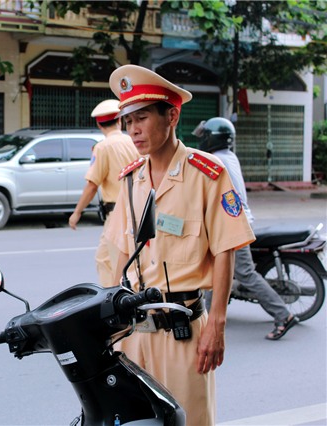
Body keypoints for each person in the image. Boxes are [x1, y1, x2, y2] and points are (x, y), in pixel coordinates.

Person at [106, 65, 255, 425]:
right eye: (127, 121)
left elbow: (226, 249)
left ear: (172, 115)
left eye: (142, 118)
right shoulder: (131, 180)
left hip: (184, 330)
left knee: (190, 420)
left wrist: (216, 325)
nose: (133, 130)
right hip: (134, 333)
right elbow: (123, 256)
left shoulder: (207, 174)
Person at [194, 117, 299, 340]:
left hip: (233, 226)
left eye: (204, 135)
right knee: (214, 272)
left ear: (212, 138)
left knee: (246, 273)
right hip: (234, 223)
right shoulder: (228, 157)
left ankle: (283, 315)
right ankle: (206, 319)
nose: (201, 139)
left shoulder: (215, 162)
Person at [68, 99, 138, 286]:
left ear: (99, 124)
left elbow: (92, 185)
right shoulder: (134, 141)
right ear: (120, 121)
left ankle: (116, 302)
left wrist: (77, 213)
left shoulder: (103, 147)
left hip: (116, 214)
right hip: (138, 209)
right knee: (120, 259)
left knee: (111, 261)